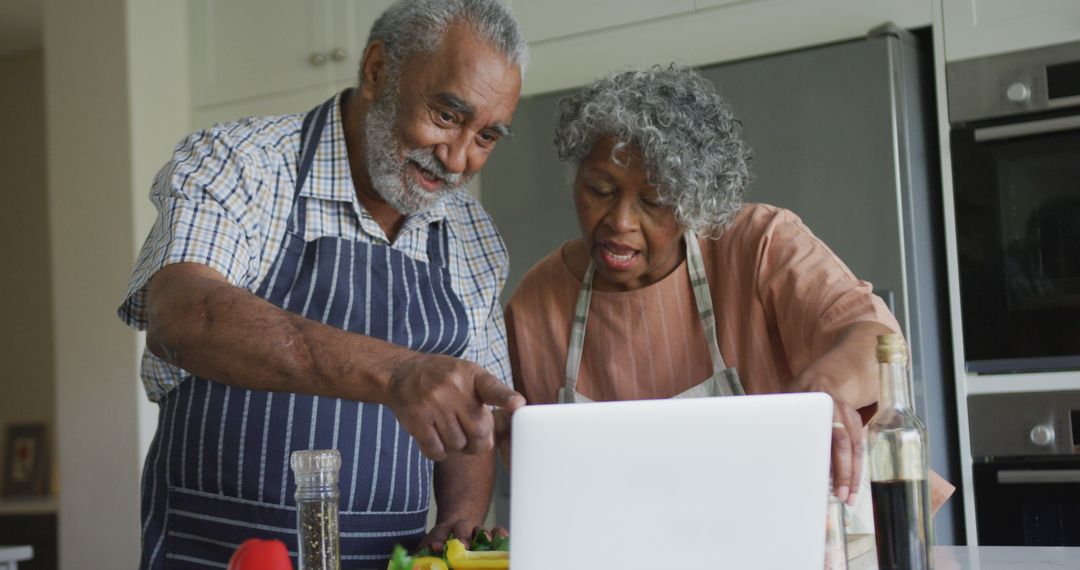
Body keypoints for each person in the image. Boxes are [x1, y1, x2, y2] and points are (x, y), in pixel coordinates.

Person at [118, 1, 528, 567]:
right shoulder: (240, 164)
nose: (457, 159)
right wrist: (397, 374)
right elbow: (185, 317)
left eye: (486, 137)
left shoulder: (471, 235)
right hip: (212, 555)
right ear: (378, 70)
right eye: (446, 115)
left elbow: (471, 413)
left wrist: (460, 521)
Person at [504, 65, 954, 512]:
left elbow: (875, 340)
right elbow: (528, 468)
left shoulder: (760, 244)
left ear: (694, 200)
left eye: (654, 201)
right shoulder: (537, 302)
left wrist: (831, 388)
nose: (620, 222)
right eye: (599, 189)